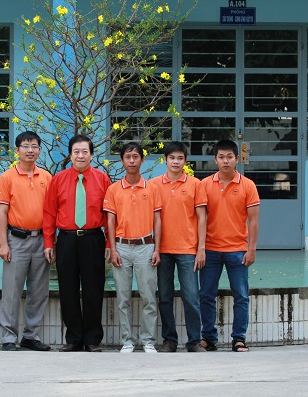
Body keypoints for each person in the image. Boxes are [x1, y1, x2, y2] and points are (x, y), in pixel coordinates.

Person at [43, 134, 111, 353]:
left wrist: (109, 243)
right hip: (67, 239)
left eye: (85, 152)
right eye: (76, 152)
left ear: (91, 155)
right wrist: (49, 242)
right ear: (70, 155)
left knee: (93, 289)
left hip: (93, 238)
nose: (80, 156)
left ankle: (92, 339)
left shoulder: (102, 179)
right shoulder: (58, 179)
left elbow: (109, 214)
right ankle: (73, 338)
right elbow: (49, 212)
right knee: (68, 289)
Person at [199, 139, 260, 353]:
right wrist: (200, 248)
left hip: (237, 250)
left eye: (230, 157)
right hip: (210, 249)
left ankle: (239, 338)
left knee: (241, 295)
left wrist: (251, 249)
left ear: (237, 159)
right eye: (221, 157)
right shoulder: (205, 185)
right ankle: (208, 337)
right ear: (215, 159)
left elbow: (254, 221)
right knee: (206, 295)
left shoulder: (248, 185)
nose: (226, 161)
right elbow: (200, 219)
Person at [0, 131, 52, 352]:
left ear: (39, 150)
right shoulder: (7, 177)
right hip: (16, 240)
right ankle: (9, 337)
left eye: (34, 146)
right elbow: (1, 212)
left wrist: (50, 242)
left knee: (39, 291)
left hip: (41, 240)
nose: (30, 150)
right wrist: (3, 244)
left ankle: (31, 336)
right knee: (12, 290)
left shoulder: (46, 177)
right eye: (25, 146)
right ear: (17, 150)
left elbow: (51, 212)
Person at [103, 142, 162, 353]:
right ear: (122, 161)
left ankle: (148, 340)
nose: (131, 161)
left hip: (146, 246)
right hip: (122, 247)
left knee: (148, 296)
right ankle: (127, 340)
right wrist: (113, 249)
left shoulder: (152, 188)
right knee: (123, 297)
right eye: (127, 157)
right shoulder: (113, 189)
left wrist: (157, 249)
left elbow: (157, 220)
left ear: (142, 160)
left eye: (135, 157)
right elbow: (110, 221)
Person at [150, 141, 208, 353]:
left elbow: (202, 218)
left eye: (180, 158)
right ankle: (169, 340)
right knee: (164, 297)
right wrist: (154, 248)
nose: (175, 162)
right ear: (165, 160)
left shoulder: (195, 184)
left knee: (191, 297)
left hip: (187, 250)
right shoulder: (154, 185)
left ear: (185, 161)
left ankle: (194, 341)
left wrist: (201, 249)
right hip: (162, 250)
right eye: (172, 158)